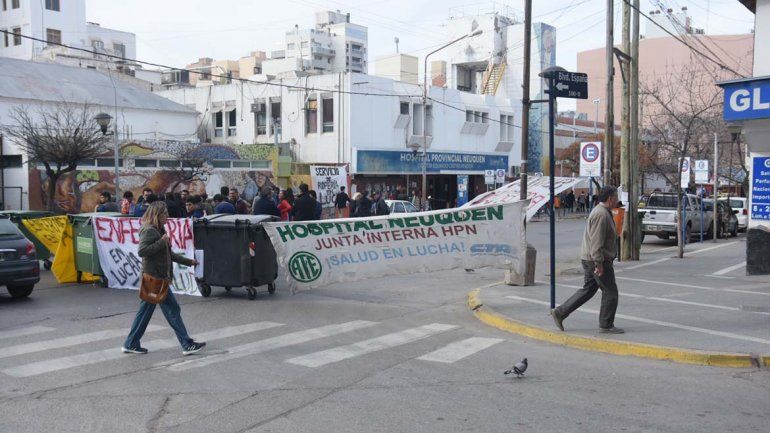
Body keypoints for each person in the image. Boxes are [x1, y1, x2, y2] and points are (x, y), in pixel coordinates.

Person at [122, 202, 205, 356]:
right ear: (157, 215)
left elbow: (168, 254)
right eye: (164, 214)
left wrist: (189, 262)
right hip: (154, 278)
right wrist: (162, 241)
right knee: (171, 310)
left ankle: (131, 343)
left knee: (149, 312)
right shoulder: (149, 231)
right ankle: (186, 344)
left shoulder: (159, 230)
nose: (167, 216)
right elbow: (142, 251)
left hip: (158, 278)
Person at [551, 186, 623, 334]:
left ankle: (560, 312)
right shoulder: (601, 214)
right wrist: (599, 263)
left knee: (589, 289)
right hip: (597, 259)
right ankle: (606, 324)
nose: (617, 200)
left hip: (591, 258)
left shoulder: (603, 211)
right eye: (616, 197)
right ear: (610, 198)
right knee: (610, 292)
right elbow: (596, 241)